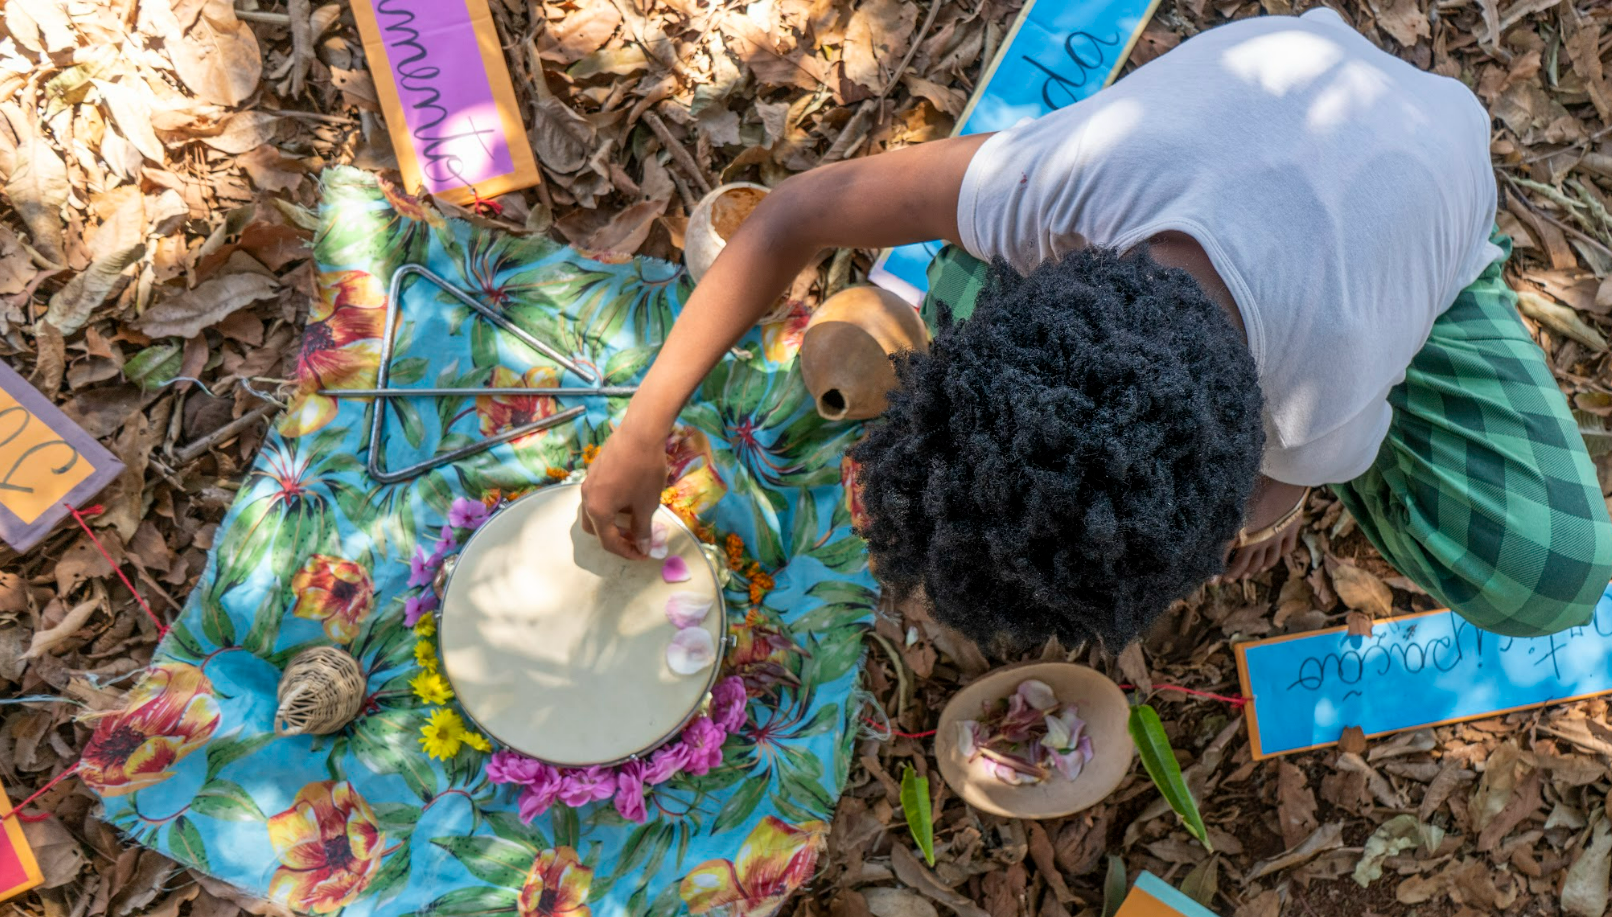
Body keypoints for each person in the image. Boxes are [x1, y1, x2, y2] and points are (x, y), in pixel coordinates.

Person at [580, 8, 1612, 650]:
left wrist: (1263, 512)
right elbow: (791, 216)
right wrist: (641, 428)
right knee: (963, 303)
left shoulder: (1318, 405)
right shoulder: (1052, 181)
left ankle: (1426, 312)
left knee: (1552, 574)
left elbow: (1279, 487)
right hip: (1285, 124)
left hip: (1424, 205)